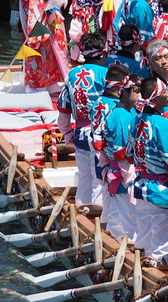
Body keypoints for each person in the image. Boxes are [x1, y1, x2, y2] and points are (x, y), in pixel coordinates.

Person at [131, 76, 168, 264]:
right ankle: (156, 273)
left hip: (140, 184)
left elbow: (129, 153)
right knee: (161, 242)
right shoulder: (163, 124)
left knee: (143, 237)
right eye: (165, 93)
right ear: (156, 98)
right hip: (159, 188)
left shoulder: (137, 119)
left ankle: (140, 264)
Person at [56, 33, 109, 207]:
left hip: (79, 134)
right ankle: (96, 224)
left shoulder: (72, 75)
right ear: (102, 54)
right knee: (99, 180)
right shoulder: (106, 75)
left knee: (85, 177)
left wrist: (67, 133)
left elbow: (64, 108)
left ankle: (81, 214)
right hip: (100, 136)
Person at [92, 65, 141, 240]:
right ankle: (128, 253)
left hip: (119, 172)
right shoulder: (120, 116)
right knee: (129, 222)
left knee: (120, 217)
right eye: (136, 92)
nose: (139, 97)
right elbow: (120, 154)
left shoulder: (125, 112)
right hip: (122, 174)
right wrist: (130, 179)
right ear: (125, 92)